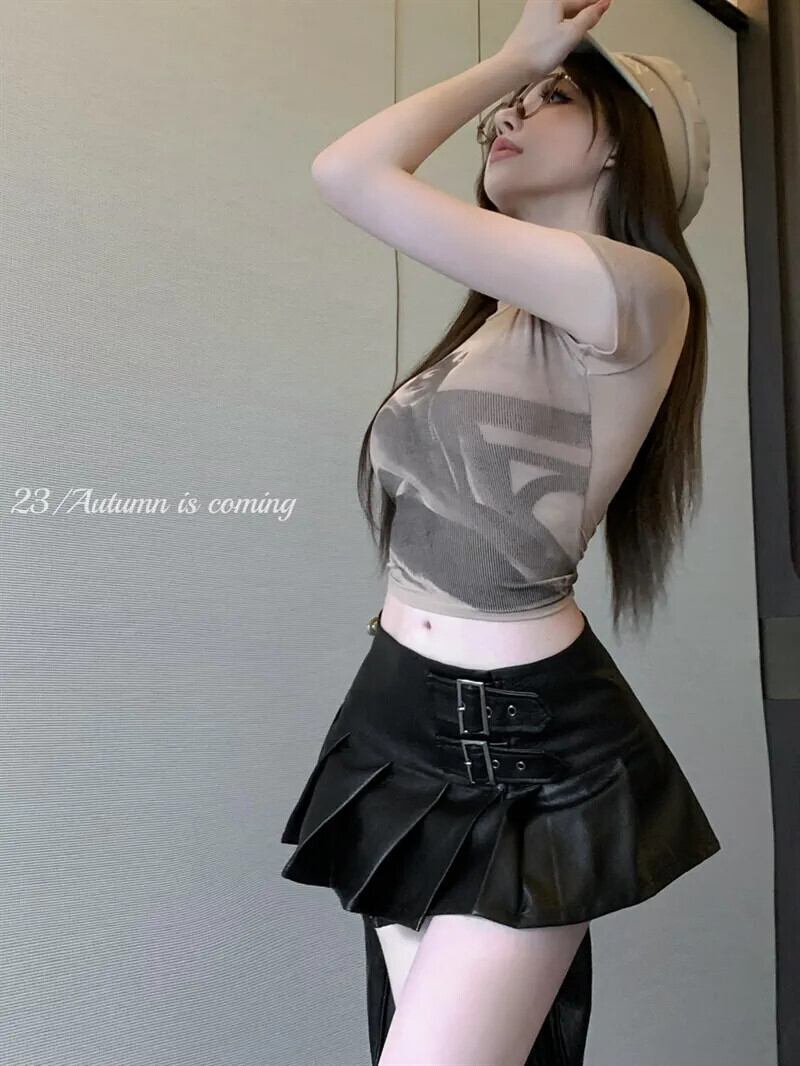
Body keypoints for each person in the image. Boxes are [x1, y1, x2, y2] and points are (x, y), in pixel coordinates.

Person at [280, 1, 720, 1063]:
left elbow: (348, 172)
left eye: (550, 96)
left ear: (620, 141)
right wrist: (526, 67)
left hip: (521, 743)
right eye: (506, 103)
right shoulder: (496, 321)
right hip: (395, 713)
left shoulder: (639, 292)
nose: (504, 117)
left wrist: (513, 54)